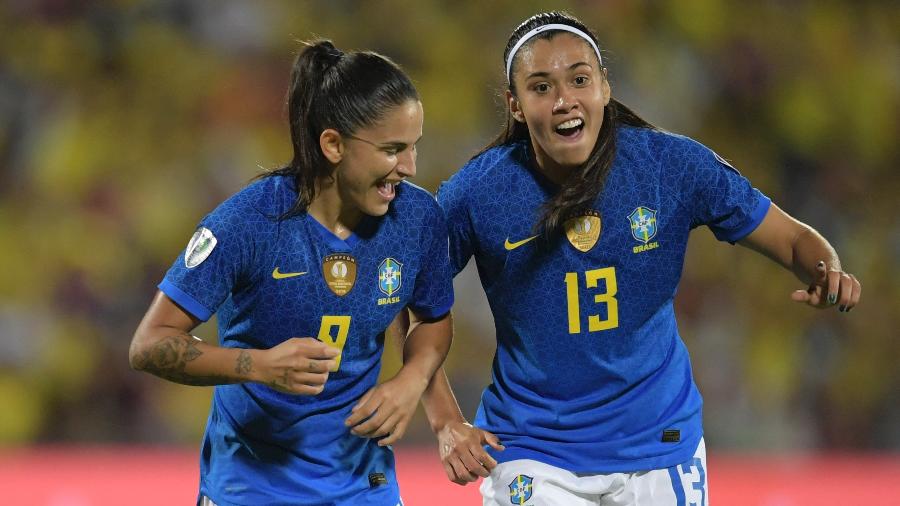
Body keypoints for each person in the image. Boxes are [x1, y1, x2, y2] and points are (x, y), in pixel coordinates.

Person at [418, 11, 862, 506]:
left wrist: (826, 270)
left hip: (659, 446)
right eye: (541, 88)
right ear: (515, 105)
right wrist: (444, 420)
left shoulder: (671, 166)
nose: (565, 100)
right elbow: (410, 294)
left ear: (605, 87)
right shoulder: (479, 192)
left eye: (580, 80)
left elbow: (793, 239)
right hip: (533, 451)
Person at [129, 39, 454, 506]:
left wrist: (412, 379)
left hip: (362, 485)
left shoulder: (419, 218)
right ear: (333, 144)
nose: (409, 167)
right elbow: (150, 344)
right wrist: (259, 366)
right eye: (392, 149)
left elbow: (432, 318)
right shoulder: (247, 223)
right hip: (252, 486)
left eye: (414, 147)